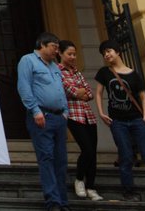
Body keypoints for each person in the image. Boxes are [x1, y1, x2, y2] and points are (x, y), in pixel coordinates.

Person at [94, 41, 145, 205]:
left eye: (109, 51)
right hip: (118, 122)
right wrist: (101, 113)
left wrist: (144, 117)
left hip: (137, 120)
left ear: (118, 52)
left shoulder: (134, 75)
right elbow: (99, 93)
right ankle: (128, 192)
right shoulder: (104, 72)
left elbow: (143, 97)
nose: (107, 55)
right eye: (104, 53)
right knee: (126, 157)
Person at [17, 32, 71, 211]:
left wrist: (65, 112)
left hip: (59, 117)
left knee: (61, 160)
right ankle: (53, 201)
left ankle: (63, 201)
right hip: (42, 117)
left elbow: (60, 89)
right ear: (42, 45)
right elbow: (24, 87)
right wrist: (35, 110)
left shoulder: (54, 66)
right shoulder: (28, 61)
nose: (56, 51)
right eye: (53, 47)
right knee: (46, 158)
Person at [58, 41, 101, 202]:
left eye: (74, 54)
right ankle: (79, 179)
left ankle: (91, 186)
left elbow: (88, 92)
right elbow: (70, 90)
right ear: (60, 54)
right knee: (87, 149)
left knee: (93, 153)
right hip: (73, 115)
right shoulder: (58, 71)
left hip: (88, 115)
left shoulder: (77, 72)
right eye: (69, 54)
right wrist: (78, 92)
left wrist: (79, 92)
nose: (73, 57)